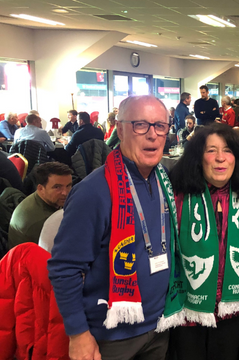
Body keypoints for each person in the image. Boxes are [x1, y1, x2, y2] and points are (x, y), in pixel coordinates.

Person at [48, 95, 177, 360]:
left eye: (160, 126)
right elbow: (65, 268)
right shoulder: (93, 192)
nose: (152, 135)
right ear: (119, 129)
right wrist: (78, 333)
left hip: (160, 325)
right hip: (111, 336)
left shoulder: (164, 180)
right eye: (141, 125)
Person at [167, 123, 239, 360]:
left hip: (232, 307)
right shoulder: (176, 197)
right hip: (187, 308)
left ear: (236, 158)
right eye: (211, 150)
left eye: (227, 150)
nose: (220, 158)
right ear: (198, 158)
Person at [8, 162, 72, 249]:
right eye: (57, 187)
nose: (65, 193)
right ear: (40, 188)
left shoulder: (44, 199)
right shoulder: (43, 221)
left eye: (68, 186)